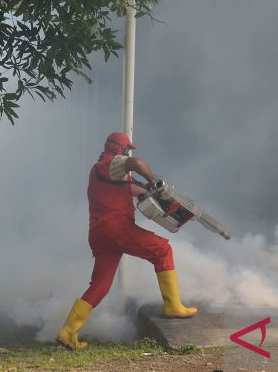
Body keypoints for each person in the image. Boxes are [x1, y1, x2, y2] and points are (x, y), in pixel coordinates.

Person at [56, 132, 197, 350]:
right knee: (163, 250)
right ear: (120, 149)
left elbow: (126, 188)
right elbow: (137, 163)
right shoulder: (112, 162)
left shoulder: (100, 171)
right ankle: (173, 306)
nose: (128, 153)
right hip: (116, 228)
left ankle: (68, 332)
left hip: (99, 233)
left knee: (101, 284)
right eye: (127, 149)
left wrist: (148, 192)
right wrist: (153, 180)